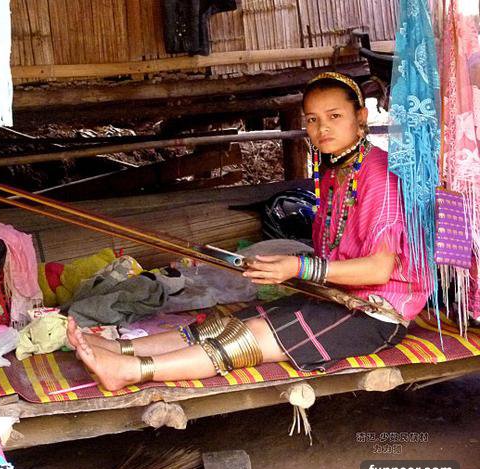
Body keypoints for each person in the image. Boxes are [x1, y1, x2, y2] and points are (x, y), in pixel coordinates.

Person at [66, 72, 431, 391]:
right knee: (228, 322)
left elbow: (379, 269)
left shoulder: (379, 175)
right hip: (339, 297)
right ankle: (121, 348)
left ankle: (131, 371)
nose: (323, 128)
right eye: (313, 119)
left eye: (335, 116)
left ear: (361, 117)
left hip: (376, 314)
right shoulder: (336, 172)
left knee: (251, 335)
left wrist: (298, 267)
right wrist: (283, 268)